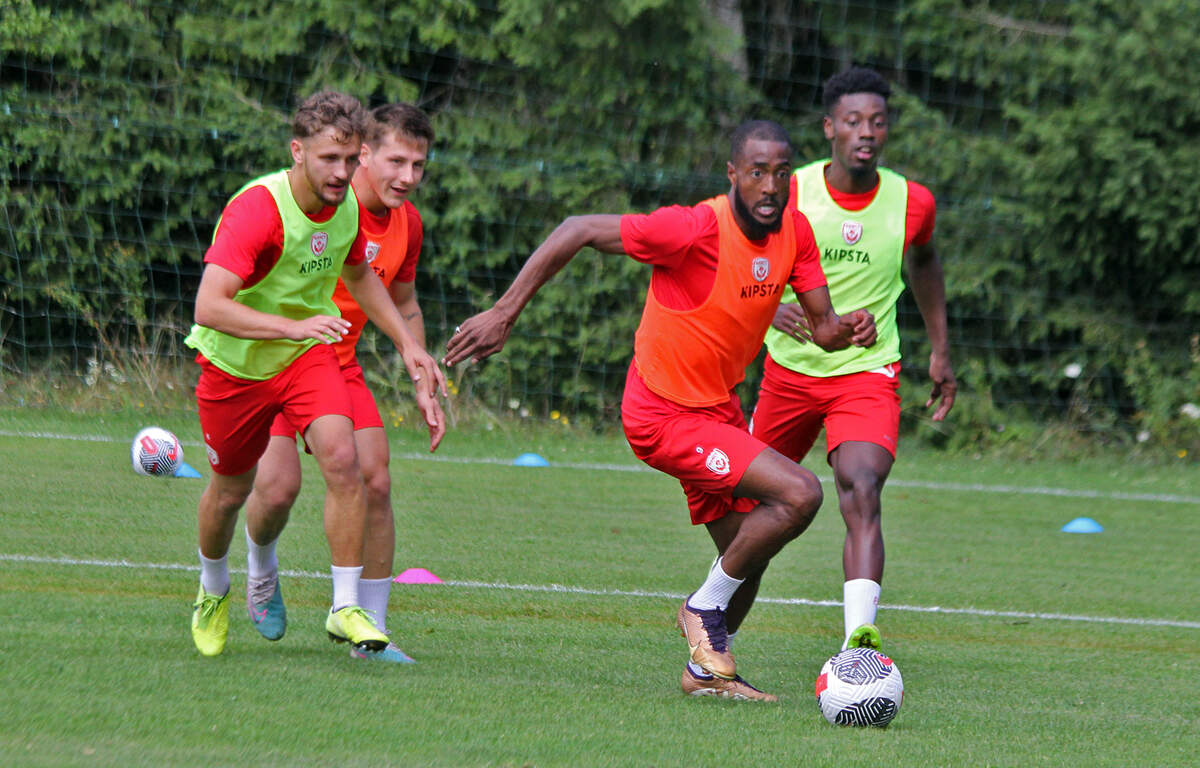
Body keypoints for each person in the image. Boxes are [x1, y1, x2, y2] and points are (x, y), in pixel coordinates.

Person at [444, 120, 876, 701]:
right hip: (661, 415)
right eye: (756, 173)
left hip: (717, 411)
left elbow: (823, 331)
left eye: (780, 174)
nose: (770, 186)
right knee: (800, 494)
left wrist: (849, 331)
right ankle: (700, 608)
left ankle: (706, 672)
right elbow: (576, 229)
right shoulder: (692, 227)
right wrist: (504, 313)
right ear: (732, 176)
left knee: (749, 549)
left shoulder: (794, 232)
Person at [184, 90, 446, 658]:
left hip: (309, 357)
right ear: (297, 152)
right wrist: (290, 327)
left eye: (350, 160)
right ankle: (215, 587)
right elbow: (208, 306)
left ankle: (347, 609)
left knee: (347, 460)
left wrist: (410, 349)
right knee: (237, 493)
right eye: (331, 159)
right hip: (236, 365)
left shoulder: (352, 207)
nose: (343, 172)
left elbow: (363, 278)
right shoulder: (259, 209)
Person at [750, 67, 956, 655]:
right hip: (788, 371)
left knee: (861, 484)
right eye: (852, 121)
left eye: (877, 121)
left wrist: (940, 348)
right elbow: (741, 257)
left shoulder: (912, 201)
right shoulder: (790, 192)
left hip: (866, 372)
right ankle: (716, 639)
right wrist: (767, 312)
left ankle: (859, 647)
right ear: (828, 129)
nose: (866, 132)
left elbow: (925, 262)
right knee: (751, 510)